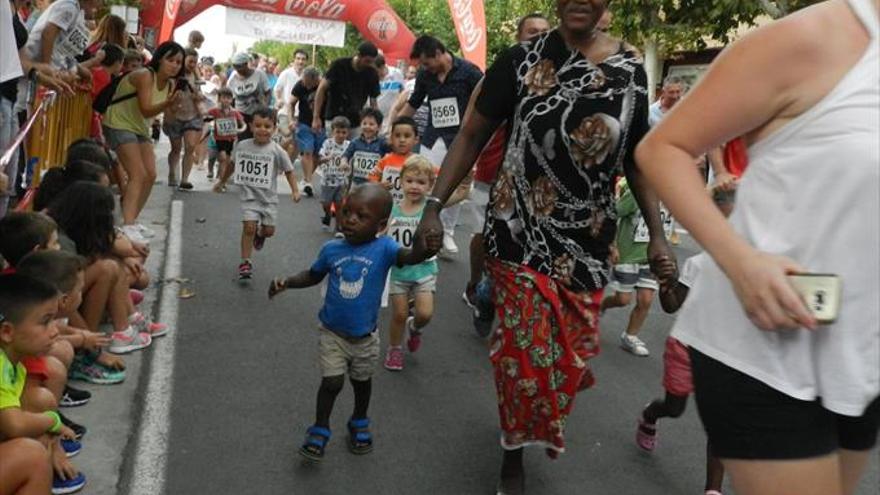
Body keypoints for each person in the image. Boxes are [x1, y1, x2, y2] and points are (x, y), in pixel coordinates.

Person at [416, 1, 671, 491]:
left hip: (589, 243)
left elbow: (638, 160)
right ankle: (512, 450)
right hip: (518, 233)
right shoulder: (521, 60)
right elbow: (472, 132)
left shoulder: (632, 73)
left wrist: (657, 234)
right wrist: (432, 203)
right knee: (524, 355)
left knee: (565, 365)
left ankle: (526, 413)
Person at [635, 1, 879, 494]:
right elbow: (663, 148)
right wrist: (741, 262)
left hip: (862, 357)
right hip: (762, 351)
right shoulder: (819, 37)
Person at [267, 183, 441, 461]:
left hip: (365, 338)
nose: (350, 220)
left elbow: (409, 258)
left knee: (362, 382)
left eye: (362, 216)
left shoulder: (385, 247)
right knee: (332, 382)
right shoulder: (331, 249)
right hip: (332, 334)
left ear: (381, 225)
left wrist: (425, 247)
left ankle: (359, 419)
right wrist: (287, 282)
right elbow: (313, 275)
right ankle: (320, 428)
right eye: (346, 212)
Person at [462, 12, 552, 334]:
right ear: (518, 35)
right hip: (490, 174)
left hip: (533, 187)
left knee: (522, 256)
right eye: (531, 31)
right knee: (486, 242)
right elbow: (470, 128)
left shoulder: (559, 77)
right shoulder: (502, 73)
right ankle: (479, 288)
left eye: (544, 32)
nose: (537, 37)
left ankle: (502, 303)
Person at [0, 273, 87, 494]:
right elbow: (15, 425)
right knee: (31, 456)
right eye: (45, 321)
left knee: (37, 423)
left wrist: (51, 440)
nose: (55, 330)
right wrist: (54, 421)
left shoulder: (14, 365)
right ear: (7, 332)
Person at [399, 35, 483, 255]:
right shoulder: (425, 75)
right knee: (424, 180)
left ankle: (446, 231)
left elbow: (484, 105)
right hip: (432, 137)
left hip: (460, 140)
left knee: (453, 186)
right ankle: (418, 225)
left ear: (438, 53)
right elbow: (414, 102)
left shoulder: (470, 72)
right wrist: (395, 124)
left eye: (427, 62)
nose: (425, 67)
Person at [103, 41, 182, 243]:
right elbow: (147, 109)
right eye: (170, 60)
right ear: (159, 59)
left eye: (178, 62)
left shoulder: (171, 84)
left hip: (139, 127)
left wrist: (175, 107)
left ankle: (131, 220)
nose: (175, 65)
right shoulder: (145, 75)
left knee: (151, 174)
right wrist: (168, 103)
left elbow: (166, 116)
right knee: (137, 174)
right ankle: (127, 225)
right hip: (119, 123)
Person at [216, 107, 300, 280]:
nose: (263, 129)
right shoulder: (242, 146)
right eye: (258, 125)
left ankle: (260, 235)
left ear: (274, 128)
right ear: (250, 126)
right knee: (248, 227)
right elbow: (232, 165)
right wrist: (222, 181)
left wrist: (295, 190)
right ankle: (245, 262)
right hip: (249, 197)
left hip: (269, 199)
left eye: (267, 126)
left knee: (269, 231)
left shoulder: (277, 150)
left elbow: (289, 171)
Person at [599, 176, 668, 356]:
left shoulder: (672, 196)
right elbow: (614, 215)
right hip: (627, 254)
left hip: (651, 257)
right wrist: (612, 244)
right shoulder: (638, 192)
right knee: (623, 300)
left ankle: (630, 336)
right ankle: (602, 307)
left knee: (645, 300)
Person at [382, 156, 439, 371]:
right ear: (401, 181)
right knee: (399, 313)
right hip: (399, 271)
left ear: (430, 185)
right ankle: (395, 349)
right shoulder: (393, 209)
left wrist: (464, 182)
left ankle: (414, 328)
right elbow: (382, 233)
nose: (414, 186)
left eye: (421, 182)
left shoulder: (430, 211)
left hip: (424, 270)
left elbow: (458, 195)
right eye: (410, 181)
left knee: (424, 314)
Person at [313, 42, 379, 139]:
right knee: (334, 150)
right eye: (367, 61)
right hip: (334, 117)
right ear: (359, 55)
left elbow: (373, 100)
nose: (369, 64)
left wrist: (375, 122)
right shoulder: (339, 65)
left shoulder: (372, 73)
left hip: (355, 120)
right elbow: (321, 89)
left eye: (372, 62)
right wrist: (316, 117)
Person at [368, 116, 419, 204]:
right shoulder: (385, 160)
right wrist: (379, 185)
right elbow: (372, 177)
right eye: (397, 136)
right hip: (387, 206)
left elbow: (435, 175)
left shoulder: (419, 162)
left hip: (410, 209)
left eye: (407, 136)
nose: (402, 140)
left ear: (416, 140)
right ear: (391, 138)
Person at [290, 66, 323, 196]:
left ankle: (306, 179)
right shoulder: (300, 85)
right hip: (304, 123)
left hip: (322, 124)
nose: (305, 85)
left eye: (308, 82)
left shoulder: (324, 86)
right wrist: (291, 119)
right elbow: (291, 103)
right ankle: (308, 182)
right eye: (303, 81)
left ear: (315, 80)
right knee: (307, 151)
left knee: (317, 155)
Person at [316, 116, 350, 235]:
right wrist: (327, 158)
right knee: (326, 204)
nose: (340, 135)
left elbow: (352, 160)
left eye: (343, 132)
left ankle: (339, 227)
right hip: (327, 180)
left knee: (339, 205)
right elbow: (319, 159)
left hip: (341, 181)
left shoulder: (349, 145)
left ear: (348, 133)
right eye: (338, 132)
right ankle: (327, 214)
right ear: (332, 131)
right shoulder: (327, 143)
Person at [208, 87, 246, 190]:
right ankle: (221, 180)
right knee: (223, 157)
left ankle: (222, 180)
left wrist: (241, 129)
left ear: (232, 99)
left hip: (231, 139)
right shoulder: (215, 111)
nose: (226, 100)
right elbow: (205, 115)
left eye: (229, 98)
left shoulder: (235, 112)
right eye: (224, 98)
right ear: (219, 99)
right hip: (219, 139)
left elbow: (243, 124)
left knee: (226, 161)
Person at [227, 52, 271, 141]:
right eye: (235, 67)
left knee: (258, 138)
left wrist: (265, 107)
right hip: (241, 113)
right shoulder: (232, 79)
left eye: (240, 66)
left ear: (246, 64)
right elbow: (229, 98)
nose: (238, 69)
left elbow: (268, 92)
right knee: (243, 139)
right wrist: (231, 112)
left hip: (258, 112)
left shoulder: (259, 74)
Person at [342, 108, 387, 189]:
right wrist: (344, 162)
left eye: (371, 124)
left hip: (375, 183)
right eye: (364, 123)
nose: (367, 127)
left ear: (379, 127)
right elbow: (346, 155)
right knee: (354, 201)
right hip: (357, 183)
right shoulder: (355, 142)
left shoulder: (383, 143)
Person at [375, 55, 404, 135]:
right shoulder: (371, 77)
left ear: (382, 67)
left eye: (376, 71)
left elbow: (403, 93)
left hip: (393, 118)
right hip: (376, 119)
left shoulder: (396, 73)